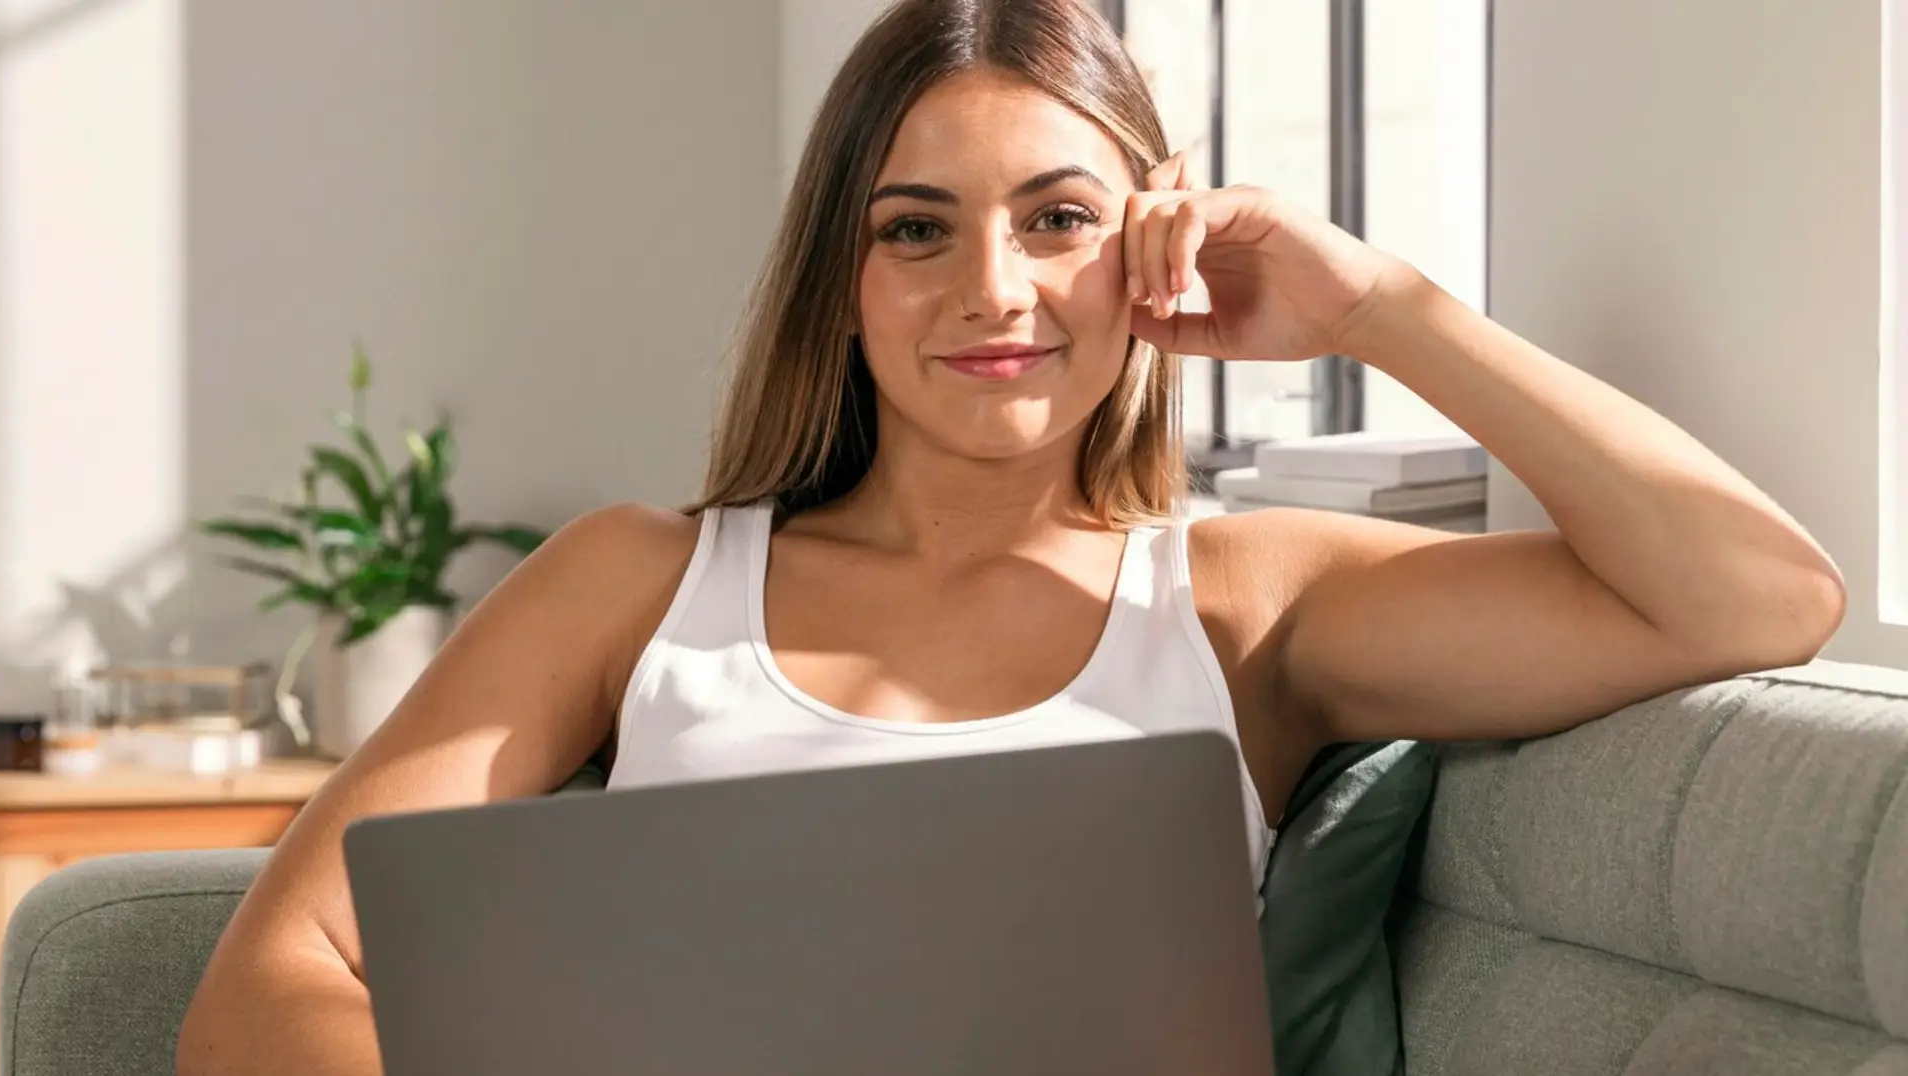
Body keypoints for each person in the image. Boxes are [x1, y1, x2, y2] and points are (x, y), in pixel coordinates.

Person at [174, 0, 1845, 1072]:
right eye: (919, 230)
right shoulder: (636, 581)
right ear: (844, 279)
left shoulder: (1251, 598)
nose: (995, 290)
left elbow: (1759, 593)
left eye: (1061, 222)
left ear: (1153, 245)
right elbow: (275, 980)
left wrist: (1379, 308)